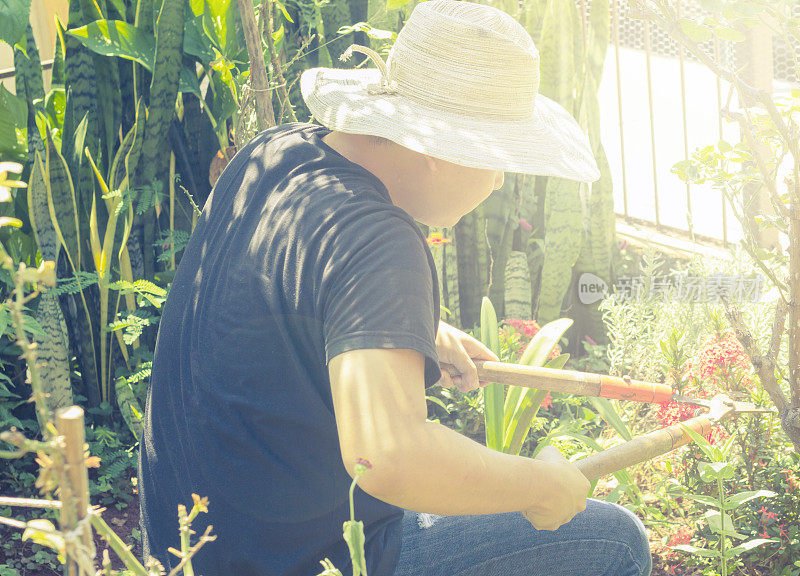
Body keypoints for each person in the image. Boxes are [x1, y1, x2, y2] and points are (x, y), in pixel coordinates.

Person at [138, 1, 652, 575]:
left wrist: (410, 328)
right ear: (439, 147)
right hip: (300, 560)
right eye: (499, 155)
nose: (503, 178)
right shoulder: (382, 241)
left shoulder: (274, 153)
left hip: (185, 545)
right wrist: (539, 486)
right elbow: (385, 456)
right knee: (615, 541)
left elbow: (283, 289)